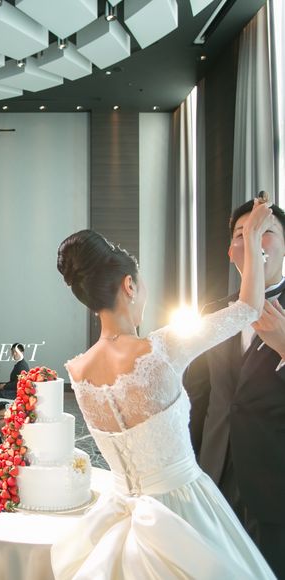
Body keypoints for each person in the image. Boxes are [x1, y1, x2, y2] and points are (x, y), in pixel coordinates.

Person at [50, 198, 275, 579]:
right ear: (129, 285)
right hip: (182, 509)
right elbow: (248, 308)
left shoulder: (78, 372)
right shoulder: (162, 349)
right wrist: (251, 235)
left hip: (117, 515)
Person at [185, 198, 285, 578]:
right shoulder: (213, 312)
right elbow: (198, 396)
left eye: (265, 231)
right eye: (243, 233)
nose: (253, 239)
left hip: (275, 481)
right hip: (213, 475)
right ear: (231, 252)